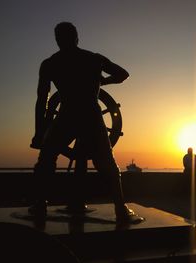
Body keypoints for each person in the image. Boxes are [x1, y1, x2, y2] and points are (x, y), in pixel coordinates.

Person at [29, 22, 143, 224]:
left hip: (66, 116)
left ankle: (39, 205)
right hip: (91, 116)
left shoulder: (50, 64)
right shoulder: (94, 59)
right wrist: (102, 81)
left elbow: (41, 100)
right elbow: (123, 74)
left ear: (57, 40)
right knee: (107, 162)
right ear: (77, 37)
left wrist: (39, 133)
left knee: (46, 159)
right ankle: (120, 208)